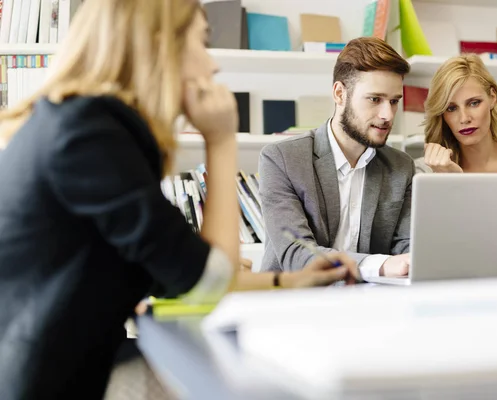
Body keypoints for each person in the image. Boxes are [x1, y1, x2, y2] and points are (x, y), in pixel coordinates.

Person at [0, 1, 357, 399]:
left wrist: (290, 281)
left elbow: (176, 279)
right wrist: (221, 142)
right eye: (202, 42)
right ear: (159, 44)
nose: (213, 66)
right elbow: (207, 281)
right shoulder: (91, 137)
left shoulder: (78, 123)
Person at [258, 37, 415, 279]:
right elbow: (297, 254)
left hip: (370, 305)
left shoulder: (401, 167)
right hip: (294, 303)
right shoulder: (282, 159)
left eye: (394, 102)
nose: (387, 115)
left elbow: (406, 250)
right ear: (340, 94)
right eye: (375, 99)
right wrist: (380, 265)